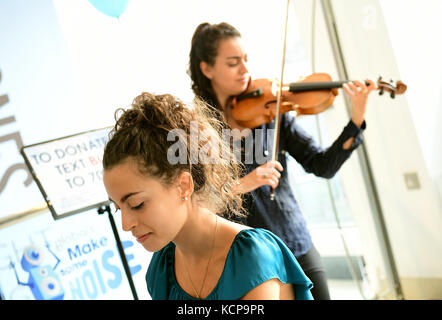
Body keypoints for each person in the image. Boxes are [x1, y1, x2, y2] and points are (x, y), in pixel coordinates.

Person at [188, 22, 377, 300]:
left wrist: (356, 118)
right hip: (245, 256)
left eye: (245, 60)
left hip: (293, 241)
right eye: (232, 63)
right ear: (207, 69)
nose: (245, 70)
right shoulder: (198, 131)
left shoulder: (272, 111)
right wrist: (244, 183)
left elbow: (322, 165)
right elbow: (196, 201)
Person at [102, 92, 313, 300]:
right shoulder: (162, 270)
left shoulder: (249, 256)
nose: (126, 224)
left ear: (183, 186)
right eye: (118, 208)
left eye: (137, 204)